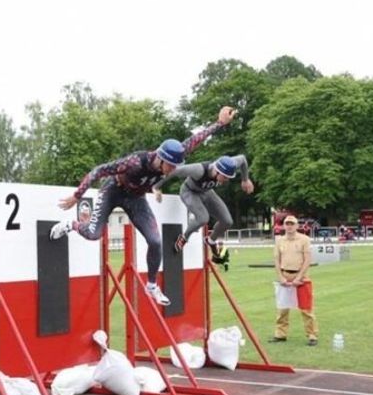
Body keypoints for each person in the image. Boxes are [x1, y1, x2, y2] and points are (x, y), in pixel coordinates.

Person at [49, 106, 238, 306]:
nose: (171, 171)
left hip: (136, 199)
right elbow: (99, 170)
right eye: (170, 166)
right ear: (161, 158)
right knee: (94, 234)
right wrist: (78, 195)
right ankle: (71, 225)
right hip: (113, 191)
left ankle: (151, 285)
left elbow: (197, 138)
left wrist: (220, 123)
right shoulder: (134, 162)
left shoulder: (173, 156)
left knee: (155, 242)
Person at [152, 154, 255, 256]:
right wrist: (156, 187)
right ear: (217, 171)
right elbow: (175, 171)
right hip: (189, 192)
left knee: (227, 221)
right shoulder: (199, 170)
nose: (226, 180)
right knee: (203, 218)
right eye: (225, 177)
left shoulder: (229, 163)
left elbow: (242, 159)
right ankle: (184, 237)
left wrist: (245, 179)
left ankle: (210, 240)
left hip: (207, 192)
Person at [271, 215, 319, 345]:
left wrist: (299, 278)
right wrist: (281, 277)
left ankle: (312, 335)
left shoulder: (304, 240)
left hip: (301, 276)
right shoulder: (279, 241)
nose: (289, 226)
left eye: (292, 224)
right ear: (284, 226)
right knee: (282, 308)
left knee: (306, 308)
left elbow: (307, 260)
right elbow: (276, 260)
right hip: (285, 275)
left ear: (297, 226)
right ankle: (280, 334)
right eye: (287, 224)